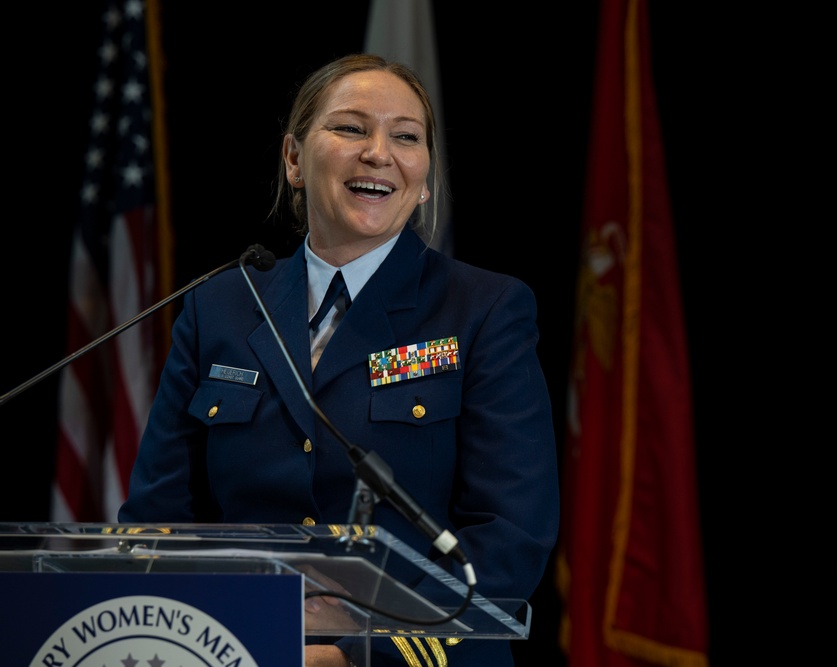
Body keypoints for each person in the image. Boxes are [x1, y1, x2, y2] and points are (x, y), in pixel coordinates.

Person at [117, 53, 560, 666]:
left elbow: (509, 537)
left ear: (426, 178)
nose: (379, 152)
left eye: (406, 137)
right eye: (351, 128)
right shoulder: (219, 307)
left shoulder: (485, 310)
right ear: (294, 160)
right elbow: (155, 523)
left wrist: (357, 650)